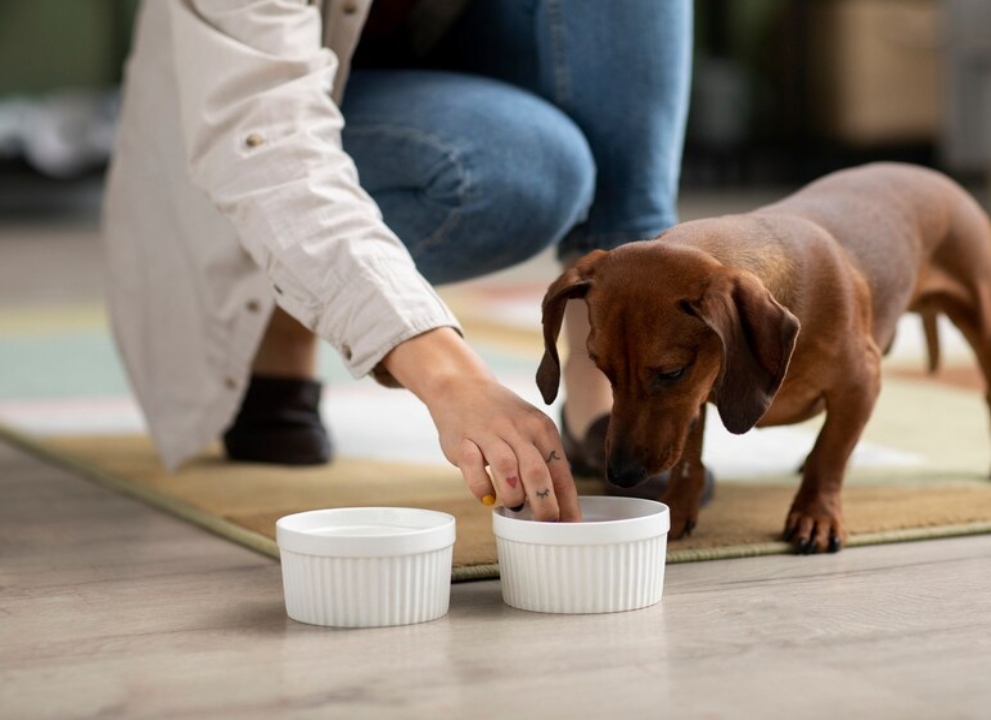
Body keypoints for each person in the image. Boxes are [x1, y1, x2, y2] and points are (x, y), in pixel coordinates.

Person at [101, 0, 692, 522]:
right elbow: (267, 145)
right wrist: (452, 379)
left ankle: (607, 374)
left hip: (452, 59)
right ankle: (277, 316)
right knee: (528, 173)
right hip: (262, 124)